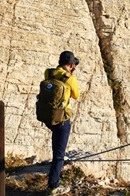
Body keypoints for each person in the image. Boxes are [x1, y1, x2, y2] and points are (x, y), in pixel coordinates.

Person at [43, 50, 80, 195]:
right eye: (74, 64)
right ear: (71, 64)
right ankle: (53, 186)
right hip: (62, 119)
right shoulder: (69, 78)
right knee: (59, 154)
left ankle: (53, 174)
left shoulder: (49, 73)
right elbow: (76, 95)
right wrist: (72, 76)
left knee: (56, 146)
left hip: (48, 117)